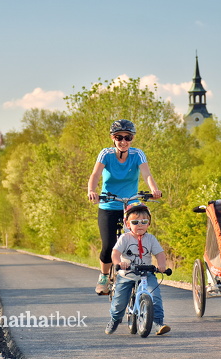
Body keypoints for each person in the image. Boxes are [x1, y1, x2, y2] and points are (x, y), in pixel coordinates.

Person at [88, 119, 161, 295]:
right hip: (108, 203)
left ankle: (140, 269)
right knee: (108, 244)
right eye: (118, 137)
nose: (123, 141)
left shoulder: (138, 154)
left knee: (139, 236)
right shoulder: (106, 154)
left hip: (131, 204)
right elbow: (96, 174)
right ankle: (104, 276)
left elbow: (147, 174)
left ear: (132, 138)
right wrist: (92, 190)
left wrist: (154, 190)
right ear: (113, 138)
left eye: (127, 137)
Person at [105, 203, 171, 335]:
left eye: (144, 222)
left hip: (146, 274)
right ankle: (115, 319)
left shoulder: (151, 239)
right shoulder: (125, 238)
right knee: (119, 302)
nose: (140, 225)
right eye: (135, 222)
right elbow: (115, 253)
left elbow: (159, 254)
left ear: (149, 223)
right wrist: (119, 263)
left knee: (155, 296)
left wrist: (162, 265)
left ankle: (158, 323)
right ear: (128, 224)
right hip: (127, 274)